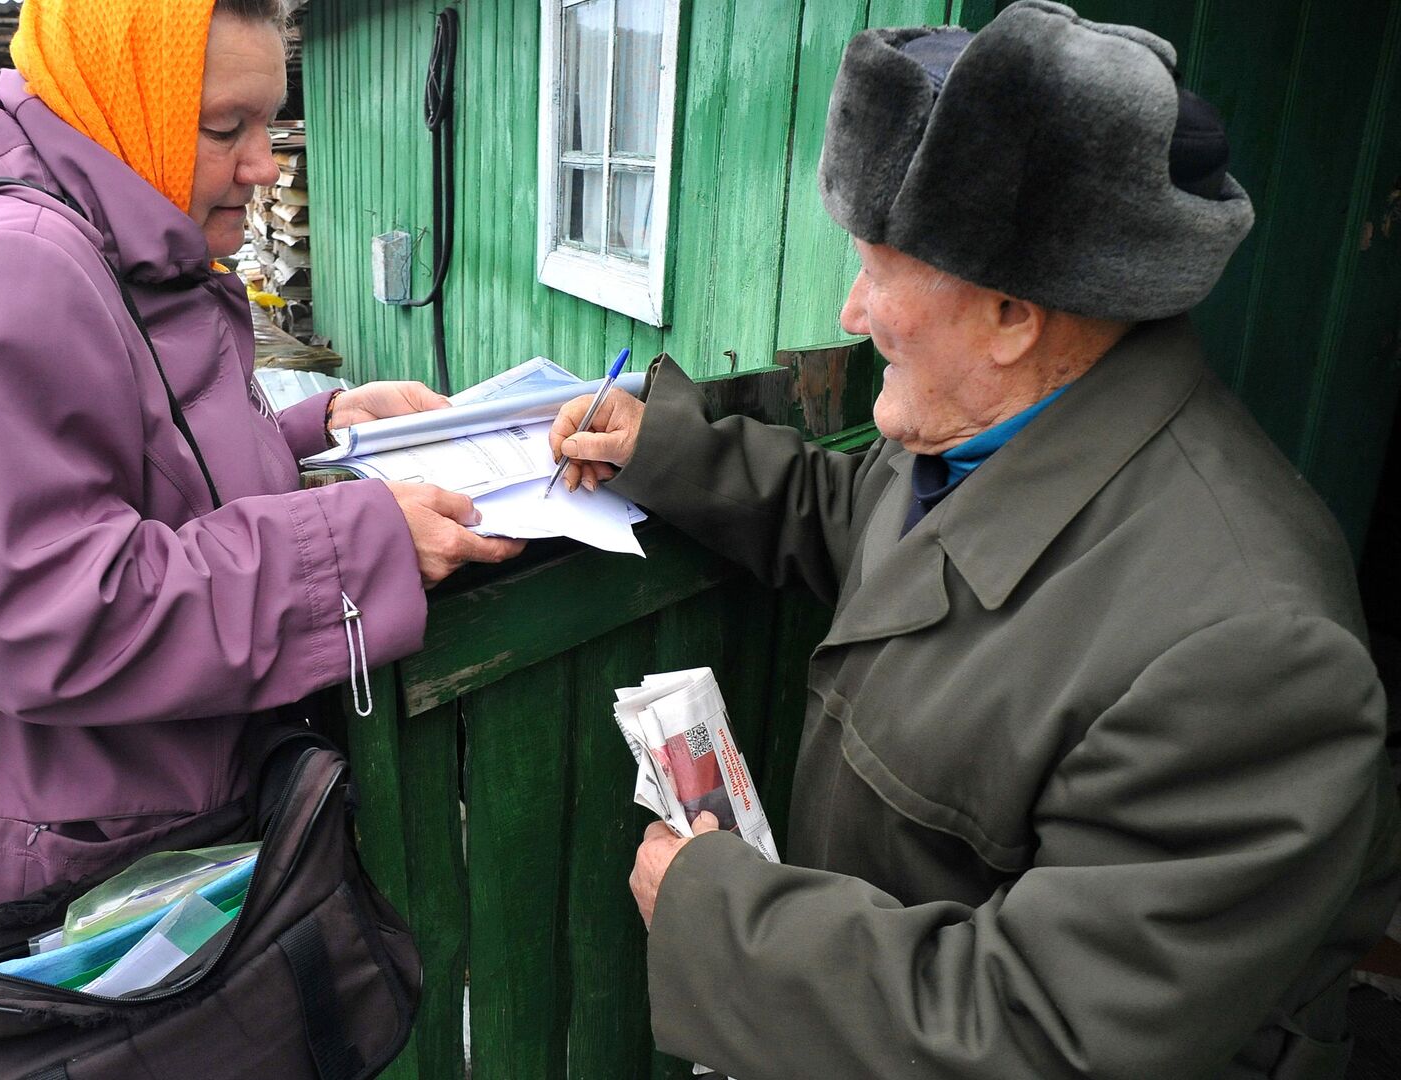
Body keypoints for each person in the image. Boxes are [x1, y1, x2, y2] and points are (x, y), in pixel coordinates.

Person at [550, 4, 1400, 1077]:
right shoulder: (990, 428)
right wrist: (663, 453)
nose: (852, 309)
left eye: (878, 265)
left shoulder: (1250, 652)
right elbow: (859, 518)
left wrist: (724, 918)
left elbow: (1049, 1033)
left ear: (1013, 313)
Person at [0, 1, 521, 1076]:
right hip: (65, 906)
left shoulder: (111, 237)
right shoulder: (10, 266)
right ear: (128, 100)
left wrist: (321, 430)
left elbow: (134, 466)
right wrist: (347, 546)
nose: (263, 163)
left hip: (130, 850)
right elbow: (53, 612)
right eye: (227, 129)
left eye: (271, 123)